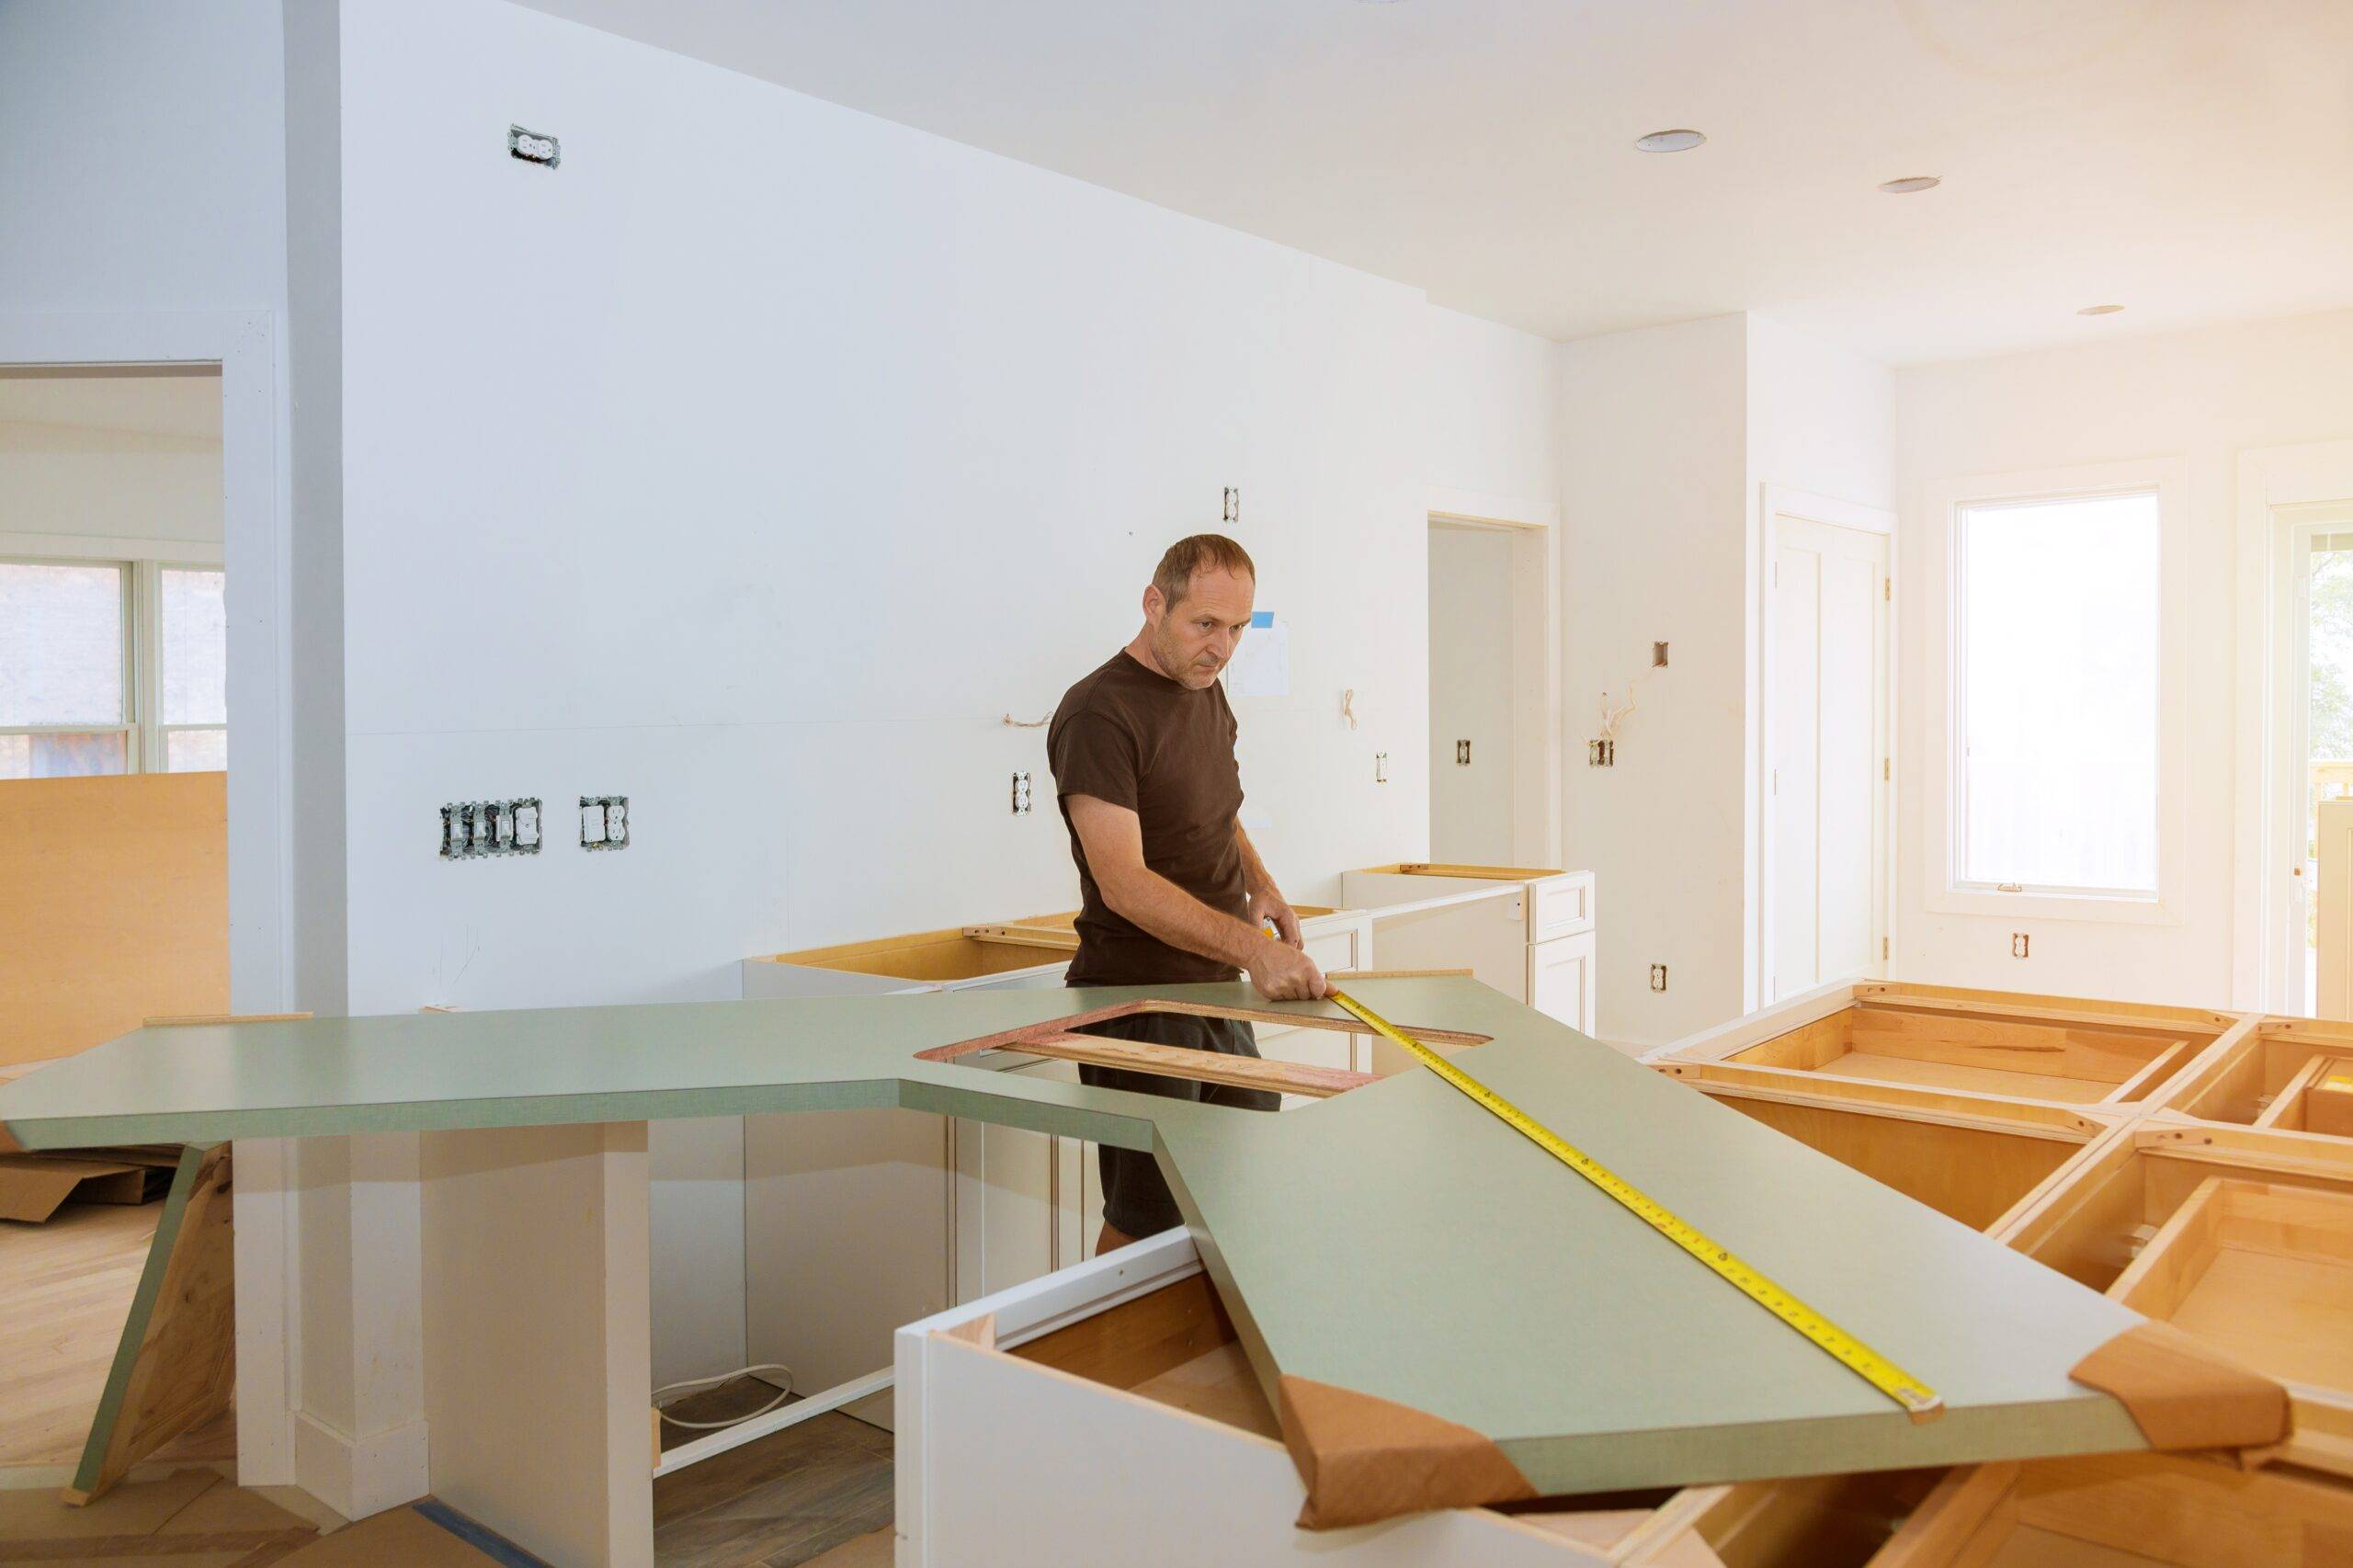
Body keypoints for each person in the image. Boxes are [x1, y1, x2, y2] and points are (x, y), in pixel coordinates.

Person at [1046, 533, 1328, 1256]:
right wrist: (1252, 952)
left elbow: (1215, 808)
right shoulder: (1097, 714)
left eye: (1237, 628)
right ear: (1154, 604)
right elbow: (1126, 885)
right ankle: (1099, 1367)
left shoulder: (1205, 688)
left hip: (1213, 990)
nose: (1222, 647)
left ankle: (1198, 1360)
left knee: (1235, 1185)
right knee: (1148, 1215)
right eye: (1205, 625)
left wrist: (1259, 885)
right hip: (1136, 1001)